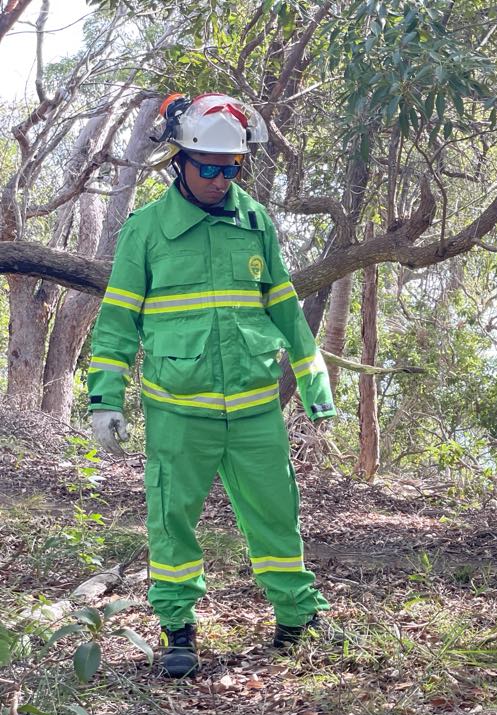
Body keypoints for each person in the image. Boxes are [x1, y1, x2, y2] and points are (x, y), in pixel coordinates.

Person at [87, 93, 337, 678]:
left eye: (232, 169)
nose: (222, 179)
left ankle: (296, 618)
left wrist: (313, 377)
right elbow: (118, 320)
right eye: (210, 168)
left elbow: (286, 309)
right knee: (172, 520)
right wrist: (104, 396)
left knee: (277, 517)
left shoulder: (255, 223)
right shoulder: (145, 231)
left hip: (253, 410)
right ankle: (178, 629)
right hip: (178, 410)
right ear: (180, 160)